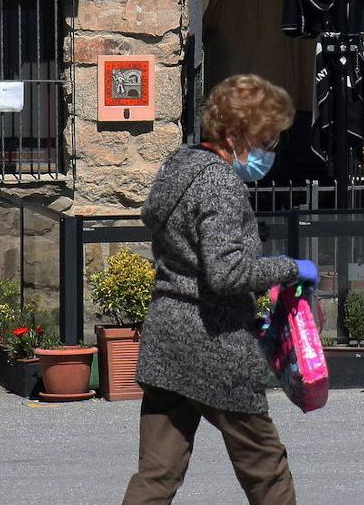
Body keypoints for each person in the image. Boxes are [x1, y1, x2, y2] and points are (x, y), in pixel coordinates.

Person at [122, 74, 318, 505]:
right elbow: (226, 274)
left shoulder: (179, 166)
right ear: (234, 135)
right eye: (265, 140)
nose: (270, 151)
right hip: (216, 345)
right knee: (267, 470)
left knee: (156, 474)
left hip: (166, 340)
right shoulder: (221, 184)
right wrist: (289, 267)